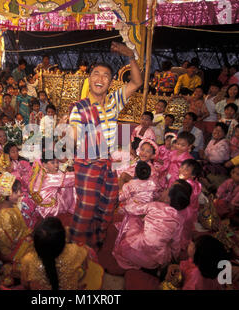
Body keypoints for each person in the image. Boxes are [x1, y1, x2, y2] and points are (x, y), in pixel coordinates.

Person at [68, 41, 143, 249]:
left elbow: (136, 82)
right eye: (95, 74)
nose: (100, 78)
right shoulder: (79, 108)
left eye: (105, 75)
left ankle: (96, 241)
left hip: (107, 162)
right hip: (88, 163)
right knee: (87, 208)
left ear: (110, 82)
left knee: (108, 203)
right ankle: (75, 247)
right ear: (89, 79)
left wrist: (130, 56)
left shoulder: (114, 101)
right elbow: (73, 133)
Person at [112, 179, 192, 271]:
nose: (164, 190)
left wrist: (128, 204)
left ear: (168, 199)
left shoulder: (155, 206)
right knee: (164, 242)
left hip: (132, 251)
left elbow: (132, 209)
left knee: (133, 217)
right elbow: (176, 243)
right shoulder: (179, 220)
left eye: (167, 190)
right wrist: (174, 258)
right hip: (154, 262)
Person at [20, 217, 103, 290]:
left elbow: (25, 284)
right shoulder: (75, 250)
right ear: (63, 239)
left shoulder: (28, 260)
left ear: (36, 243)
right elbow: (85, 262)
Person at [163, 235, 229, 290]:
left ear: (199, 256)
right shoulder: (209, 265)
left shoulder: (195, 279)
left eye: (193, 245)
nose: (190, 242)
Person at [28, 151, 76, 221]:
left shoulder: (42, 172)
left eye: (57, 162)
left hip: (41, 206)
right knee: (71, 186)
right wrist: (80, 172)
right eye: (53, 163)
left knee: (66, 185)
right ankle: (73, 207)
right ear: (44, 165)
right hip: (50, 209)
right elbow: (71, 178)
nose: (56, 165)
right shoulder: (50, 177)